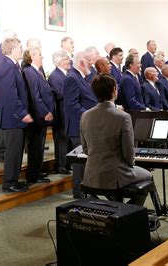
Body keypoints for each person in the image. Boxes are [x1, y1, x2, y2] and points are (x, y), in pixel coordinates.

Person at [81, 73, 161, 209]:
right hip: (116, 174)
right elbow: (129, 153)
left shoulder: (85, 115)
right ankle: (130, 213)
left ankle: (119, 211)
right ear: (114, 91)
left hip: (91, 174)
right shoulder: (123, 117)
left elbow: (85, 149)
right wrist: (130, 165)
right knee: (148, 176)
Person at [0, 38, 33, 193]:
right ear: (11, 49)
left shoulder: (11, 65)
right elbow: (10, 95)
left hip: (13, 116)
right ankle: (9, 183)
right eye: (19, 47)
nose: (21, 49)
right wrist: (22, 113)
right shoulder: (8, 66)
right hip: (12, 117)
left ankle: (14, 180)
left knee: (16, 150)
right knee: (13, 151)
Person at [63, 51, 98, 199]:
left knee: (86, 161)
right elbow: (72, 105)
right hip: (78, 126)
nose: (91, 63)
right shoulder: (72, 77)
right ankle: (79, 192)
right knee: (80, 163)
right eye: (88, 61)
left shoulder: (80, 77)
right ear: (81, 63)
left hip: (84, 125)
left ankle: (87, 190)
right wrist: (91, 115)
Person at [22, 47, 54, 184]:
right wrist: (44, 112)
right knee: (35, 146)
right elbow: (35, 96)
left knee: (39, 146)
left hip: (40, 116)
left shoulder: (37, 71)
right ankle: (33, 175)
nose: (42, 57)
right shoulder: (29, 71)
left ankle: (37, 171)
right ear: (32, 57)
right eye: (40, 55)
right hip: (37, 116)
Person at [0, 30, 17, 163]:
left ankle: (2, 152)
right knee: (3, 126)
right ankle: (0, 153)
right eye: (15, 38)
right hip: (3, 93)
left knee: (4, 125)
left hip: (4, 92)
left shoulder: (0, 51)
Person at [48, 50, 72, 175]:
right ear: (61, 61)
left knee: (68, 141)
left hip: (68, 113)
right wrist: (73, 90)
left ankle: (67, 164)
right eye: (67, 59)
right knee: (61, 141)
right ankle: (61, 166)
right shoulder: (54, 76)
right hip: (61, 114)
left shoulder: (67, 74)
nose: (69, 61)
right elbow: (58, 94)